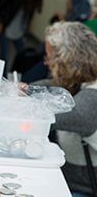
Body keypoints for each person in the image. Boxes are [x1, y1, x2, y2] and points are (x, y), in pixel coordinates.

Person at [36, 22, 97, 196]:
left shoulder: (91, 101)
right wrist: (26, 89)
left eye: (50, 58)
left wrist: (23, 96)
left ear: (67, 60)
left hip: (83, 189)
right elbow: (55, 86)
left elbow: (46, 113)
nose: (46, 63)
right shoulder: (83, 82)